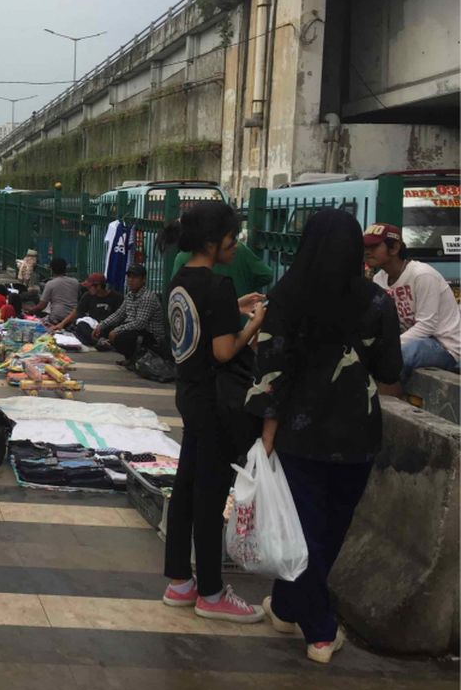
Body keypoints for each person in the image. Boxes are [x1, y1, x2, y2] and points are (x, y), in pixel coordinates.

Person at [247, 209, 402, 664]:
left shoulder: (286, 296)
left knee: (304, 530)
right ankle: (317, 625)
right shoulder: (376, 303)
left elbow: (270, 373)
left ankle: (300, 614)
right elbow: (391, 371)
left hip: (300, 435)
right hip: (358, 434)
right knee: (331, 530)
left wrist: (267, 431)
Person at [161, 201, 267, 624]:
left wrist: (234, 308)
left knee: (186, 487)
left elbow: (199, 324)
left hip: (189, 396)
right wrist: (254, 322)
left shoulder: (180, 279)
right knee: (209, 496)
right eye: (231, 237)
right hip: (217, 402)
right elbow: (224, 350)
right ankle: (210, 590)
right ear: (213, 241)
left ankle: (178, 580)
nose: (235, 244)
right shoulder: (217, 286)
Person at [363, 223, 460, 384]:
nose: (367, 251)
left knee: (398, 355)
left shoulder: (422, 275)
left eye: (374, 246)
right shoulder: (379, 279)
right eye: (366, 246)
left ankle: (387, 401)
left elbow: (427, 325)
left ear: (394, 248)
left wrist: (390, 346)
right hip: (412, 340)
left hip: (445, 346)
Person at [93, 264, 167, 365]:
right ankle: (131, 358)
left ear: (143, 280)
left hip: (151, 337)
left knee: (121, 337)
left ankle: (135, 359)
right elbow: (119, 314)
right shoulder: (130, 295)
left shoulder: (147, 297)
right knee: (108, 330)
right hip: (136, 332)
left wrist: (117, 330)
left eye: (135, 277)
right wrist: (101, 326)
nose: (131, 280)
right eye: (129, 277)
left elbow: (140, 323)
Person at [54, 272, 123, 346]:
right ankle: (99, 342)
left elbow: (120, 317)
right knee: (81, 324)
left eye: (89, 287)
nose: (88, 289)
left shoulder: (117, 297)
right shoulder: (88, 296)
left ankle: (98, 342)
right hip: (93, 328)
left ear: (98, 286)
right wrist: (61, 324)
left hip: (108, 327)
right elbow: (77, 311)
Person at [31, 259, 81, 326]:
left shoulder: (50, 284)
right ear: (65, 269)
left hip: (57, 318)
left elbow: (42, 306)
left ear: (51, 270)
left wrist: (30, 310)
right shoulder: (75, 282)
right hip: (72, 318)